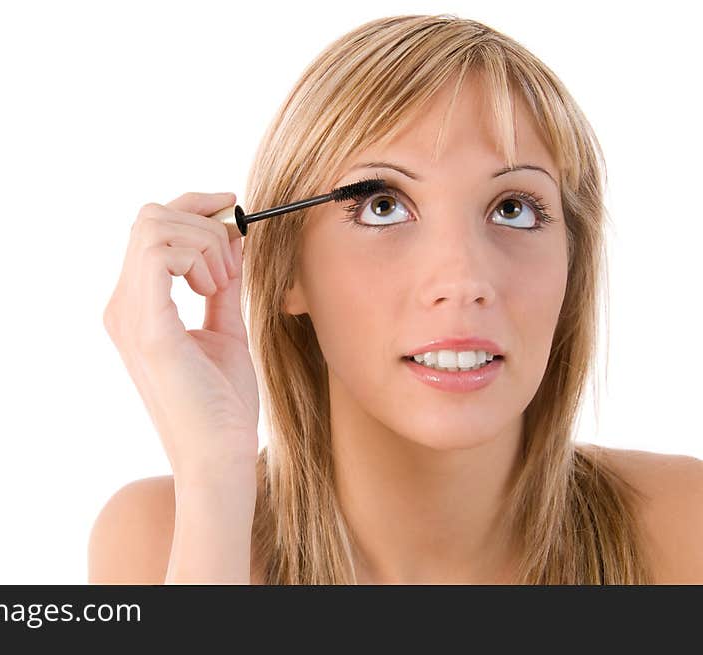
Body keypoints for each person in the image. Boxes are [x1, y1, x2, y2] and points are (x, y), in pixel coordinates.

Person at [89, 14, 703, 584]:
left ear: (573, 263)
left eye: (514, 209)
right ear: (285, 269)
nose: (463, 279)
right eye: (383, 207)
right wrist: (214, 487)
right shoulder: (157, 539)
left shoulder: (683, 530)